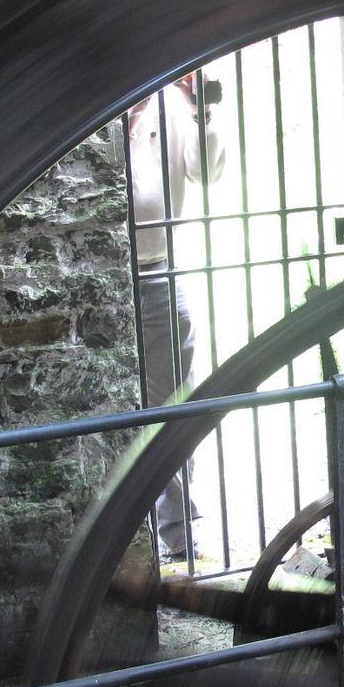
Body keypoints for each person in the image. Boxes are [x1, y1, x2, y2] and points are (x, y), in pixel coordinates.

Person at [130, 72, 226, 565]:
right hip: (102, 267)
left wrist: (200, 112)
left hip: (156, 270)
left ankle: (177, 533)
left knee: (175, 401)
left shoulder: (170, 103)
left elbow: (206, 173)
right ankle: (127, 536)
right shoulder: (96, 111)